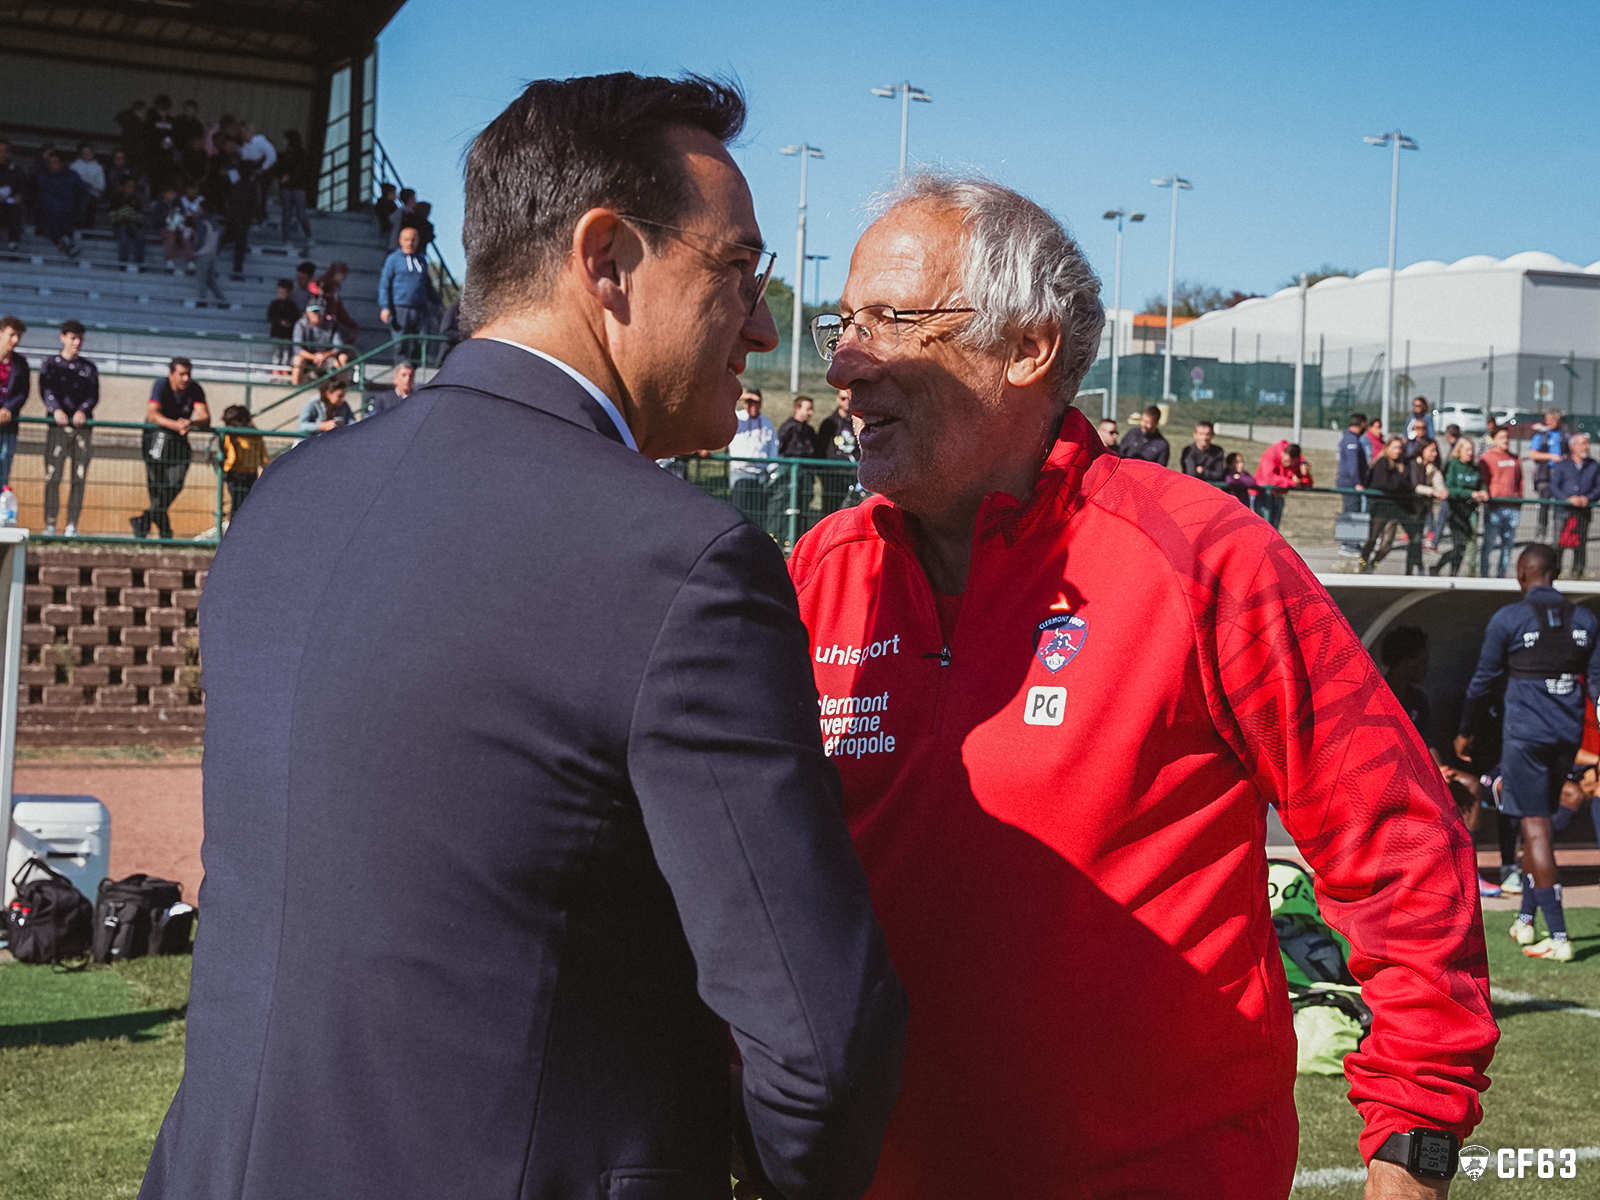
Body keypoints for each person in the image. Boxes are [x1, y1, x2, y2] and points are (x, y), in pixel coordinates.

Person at [140, 72, 906, 1200]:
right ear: (606, 261)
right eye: (739, 269)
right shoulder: (679, 563)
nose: (761, 322)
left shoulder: (289, 503)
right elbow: (815, 1036)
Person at [792, 171, 1493, 1198]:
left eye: (892, 320)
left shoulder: (1204, 560)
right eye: (839, 324)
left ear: (1027, 347)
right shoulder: (815, 577)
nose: (845, 364)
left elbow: (1398, 846)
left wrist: (1412, 1140)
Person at [1458, 543, 1600, 965]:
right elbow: (1597, 685)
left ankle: (1557, 934)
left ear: (1521, 573)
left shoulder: (1509, 618)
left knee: (1534, 826)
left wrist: (1465, 731)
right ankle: (1524, 918)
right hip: (1565, 738)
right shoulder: (1587, 620)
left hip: (1526, 738)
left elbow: (1482, 681)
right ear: (1555, 573)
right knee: (1540, 824)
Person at [133, 357, 208, 540]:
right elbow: (153, 415)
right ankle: (165, 531)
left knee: (175, 483)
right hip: (156, 437)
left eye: (188, 374)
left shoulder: (195, 389)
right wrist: (175, 425)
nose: (185, 379)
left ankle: (144, 520)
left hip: (179, 439)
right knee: (157, 485)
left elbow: (205, 417)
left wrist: (191, 422)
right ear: (171, 374)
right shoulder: (161, 385)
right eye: (181, 374)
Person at [39, 320, 98, 536]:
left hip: (83, 428)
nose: (77, 343)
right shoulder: (51, 363)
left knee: (79, 477)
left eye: (80, 338)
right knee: (53, 475)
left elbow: (93, 395)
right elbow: (46, 389)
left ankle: (72, 525)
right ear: (62, 337)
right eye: (73, 338)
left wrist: (82, 410)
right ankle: (51, 524)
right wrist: (55, 409)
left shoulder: (88, 368)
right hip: (57, 427)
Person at [378, 228, 440, 365]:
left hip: (420, 308)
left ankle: (414, 371)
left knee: (421, 342)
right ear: (400, 241)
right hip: (400, 307)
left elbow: (427, 284)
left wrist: (437, 302)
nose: (410, 243)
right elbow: (384, 284)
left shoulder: (422, 260)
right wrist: (385, 306)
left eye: (413, 240)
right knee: (401, 344)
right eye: (406, 240)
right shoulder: (393, 260)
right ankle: (401, 370)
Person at [1361, 436, 1418, 573]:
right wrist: (1399, 484)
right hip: (1380, 508)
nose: (1397, 451)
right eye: (1394, 447)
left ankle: (1374, 563)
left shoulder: (1404, 465)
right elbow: (1383, 483)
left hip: (1395, 509)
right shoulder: (1382, 463)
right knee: (1372, 539)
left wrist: (1400, 483)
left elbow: (1409, 484)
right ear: (1387, 448)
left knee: (1387, 544)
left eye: (1400, 448)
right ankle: (1363, 562)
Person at [1433, 435, 1487, 577]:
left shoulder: (1474, 468)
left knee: (1465, 546)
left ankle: (1455, 573)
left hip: (1471, 510)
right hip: (1455, 510)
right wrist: (1470, 493)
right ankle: (1438, 567)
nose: (1470, 452)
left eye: (1472, 450)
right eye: (1467, 449)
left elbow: (1481, 484)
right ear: (1460, 450)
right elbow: (1450, 488)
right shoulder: (1453, 465)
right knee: (1459, 545)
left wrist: (1483, 492)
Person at [728, 386, 778, 534]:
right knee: (739, 510)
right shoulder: (737, 418)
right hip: (740, 471)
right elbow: (725, 411)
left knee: (757, 512)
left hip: (760, 474)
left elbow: (773, 448)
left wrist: (771, 470)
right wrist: (742, 397)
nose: (753, 406)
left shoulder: (766, 423)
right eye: (749, 402)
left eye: (756, 403)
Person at [1550, 431, 1600, 578]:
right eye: (1583, 444)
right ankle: (1556, 572)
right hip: (1563, 512)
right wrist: (1567, 499)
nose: (1587, 447)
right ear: (1573, 446)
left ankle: (1578, 573)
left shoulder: (1594, 465)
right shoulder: (1562, 465)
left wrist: (1588, 498)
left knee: (1580, 545)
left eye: (1587, 444)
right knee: (1558, 544)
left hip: (1583, 512)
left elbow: (1598, 487)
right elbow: (1554, 487)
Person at [1479, 424, 1523, 578]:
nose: (1505, 440)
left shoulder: (1515, 458)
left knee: (1508, 545)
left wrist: (1519, 500)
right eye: (1501, 438)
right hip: (1494, 508)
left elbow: (1520, 481)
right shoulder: (1487, 458)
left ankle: (1501, 575)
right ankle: (1484, 575)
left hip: (1512, 508)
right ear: (1494, 440)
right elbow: (1484, 481)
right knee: (1489, 543)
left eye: (1507, 437)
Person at [217, 405, 266, 520]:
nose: (231, 427)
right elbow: (226, 451)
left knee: (248, 503)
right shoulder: (229, 434)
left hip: (250, 473)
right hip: (234, 473)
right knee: (237, 503)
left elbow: (262, 452)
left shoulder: (254, 434)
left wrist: (265, 467)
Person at [36, 148, 86, 256]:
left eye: (56, 162)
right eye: (51, 162)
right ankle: (65, 241)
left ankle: (65, 240)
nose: (53, 165)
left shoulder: (72, 176)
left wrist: (79, 213)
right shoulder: (41, 175)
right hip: (47, 212)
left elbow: (82, 194)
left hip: (66, 212)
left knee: (62, 215)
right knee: (52, 216)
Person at [1252, 439, 1310, 528]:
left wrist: (1305, 475)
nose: (1288, 465)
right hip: (1261, 495)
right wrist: (1291, 483)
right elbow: (1269, 478)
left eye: (1291, 463)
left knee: (1274, 531)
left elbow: (1307, 483)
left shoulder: (1299, 460)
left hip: (1278, 497)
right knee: (1260, 529)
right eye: (1287, 461)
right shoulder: (1270, 454)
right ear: (1283, 453)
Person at [1528, 408, 1565, 542]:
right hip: (1545, 475)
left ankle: (1558, 536)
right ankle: (1541, 535)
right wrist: (1551, 456)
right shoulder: (1541, 436)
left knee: (1560, 507)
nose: (1549, 422)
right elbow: (1532, 454)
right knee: (1543, 506)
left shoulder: (1564, 435)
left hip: (1561, 476)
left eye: (1552, 419)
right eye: (1547, 419)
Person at [0, 316, 29, 488]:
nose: (15, 340)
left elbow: (23, 392)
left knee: (3, 468)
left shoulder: (20, 363)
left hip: (9, 426)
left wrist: (8, 408)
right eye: (12, 335)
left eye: (18, 336)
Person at [1335, 411, 1369, 555]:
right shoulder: (1351, 440)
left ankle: (1350, 542)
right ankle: (1349, 543)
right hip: (1350, 484)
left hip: (1349, 482)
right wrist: (1357, 482)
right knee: (1351, 512)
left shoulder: (1349, 438)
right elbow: (1352, 464)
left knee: (1351, 510)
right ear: (1362, 424)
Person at [289, 302, 348, 385]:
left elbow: (338, 347)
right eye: (314, 312)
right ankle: (295, 389)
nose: (317, 315)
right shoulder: (300, 324)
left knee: (343, 358)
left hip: (327, 358)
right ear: (308, 312)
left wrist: (325, 356)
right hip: (308, 359)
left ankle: (341, 390)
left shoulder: (333, 325)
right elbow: (298, 349)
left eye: (319, 312)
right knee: (297, 360)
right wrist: (314, 357)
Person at [276, 129, 315, 250]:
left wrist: (290, 177)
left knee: (300, 213)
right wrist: (282, 177)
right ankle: (286, 239)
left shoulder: (302, 154)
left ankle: (309, 236)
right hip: (286, 187)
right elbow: (278, 168)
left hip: (298, 186)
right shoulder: (283, 154)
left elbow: (303, 170)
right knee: (286, 214)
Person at [191, 200, 227, 306]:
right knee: (209, 280)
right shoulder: (217, 222)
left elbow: (200, 240)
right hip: (213, 253)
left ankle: (202, 300)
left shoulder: (203, 222)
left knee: (201, 279)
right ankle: (221, 300)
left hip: (203, 253)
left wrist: (196, 249)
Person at [107, 177, 145, 267]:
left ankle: (140, 263)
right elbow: (112, 214)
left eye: (133, 186)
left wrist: (135, 223)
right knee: (124, 237)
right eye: (129, 186)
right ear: (123, 187)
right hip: (121, 225)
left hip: (133, 225)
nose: (131, 188)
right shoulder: (116, 199)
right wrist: (120, 223)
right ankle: (122, 262)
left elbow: (140, 215)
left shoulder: (137, 200)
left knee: (139, 236)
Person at [70, 143, 106, 230]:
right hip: (77, 194)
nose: (87, 154)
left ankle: (87, 230)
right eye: (84, 152)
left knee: (89, 202)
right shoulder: (74, 166)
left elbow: (102, 186)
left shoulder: (98, 167)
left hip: (91, 195)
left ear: (93, 153)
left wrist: (91, 184)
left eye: (89, 152)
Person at [266, 279, 300, 367]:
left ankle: (285, 369)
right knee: (276, 353)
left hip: (287, 335)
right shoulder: (274, 304)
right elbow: (270, 317)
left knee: (286, 353)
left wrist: (289, 323)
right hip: (276, 334)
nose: (281, 295)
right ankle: (276, 370)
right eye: (280, 292)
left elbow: (296, 318)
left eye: (284, 293)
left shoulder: (292, 305)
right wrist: (280, 321)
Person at [0, 140, 25, 249]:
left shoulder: (16, 170)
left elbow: (22, 187)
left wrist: (19, 195)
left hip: (9, 203)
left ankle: (13, 242)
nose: (2, 154)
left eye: (5, 151)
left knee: (16, 207)